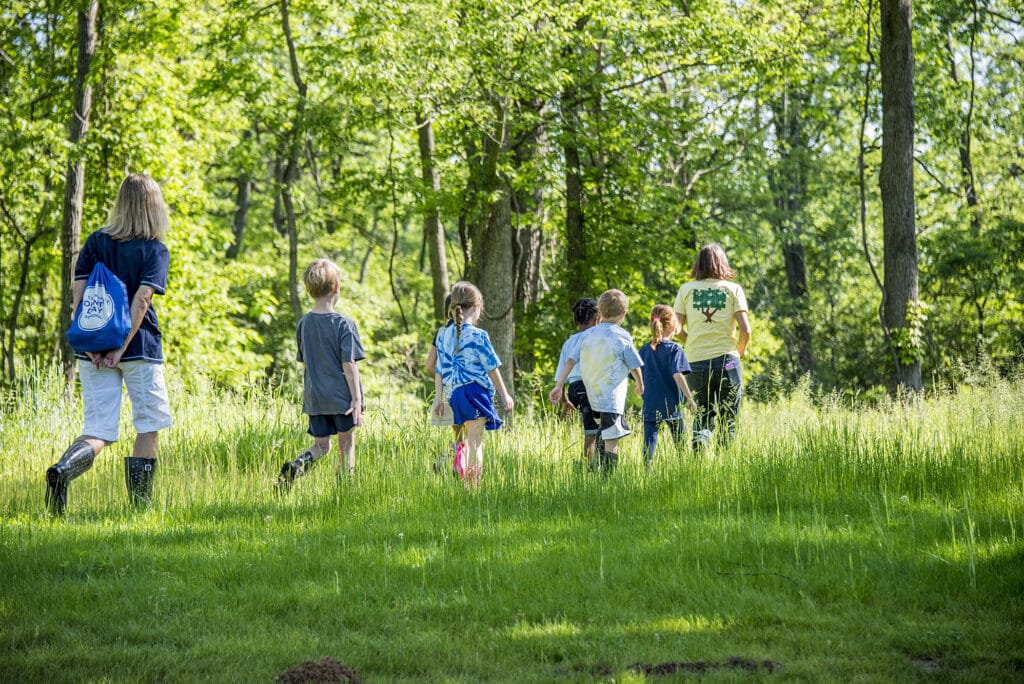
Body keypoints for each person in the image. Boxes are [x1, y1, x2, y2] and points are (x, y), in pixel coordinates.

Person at [45, 174, 172, 515]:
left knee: (98, 429)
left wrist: (88, 342)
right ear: (154, 207)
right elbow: (142, 300)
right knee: (148, 425)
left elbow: (80, 294)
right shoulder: (155, 249)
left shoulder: (96, 242)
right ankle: (140, 508)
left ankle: (62, 471)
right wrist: (119, 347)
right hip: (140, 347)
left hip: (91, 348)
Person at [277, 258, 365, 487]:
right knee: (346, 445)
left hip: (315, 397)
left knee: (321, 447)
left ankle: (297, 464)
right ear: (336, 288)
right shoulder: (344, 324)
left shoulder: (304, 324)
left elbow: (305, 363)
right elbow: (349, 364)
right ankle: (346, 490)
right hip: (340, 398)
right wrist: (356, 399)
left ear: (309, 289)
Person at [550, 289, 643, 474]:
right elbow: (634, 364)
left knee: (596, 430)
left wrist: (559, 385)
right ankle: (607, 476)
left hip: (589, 393)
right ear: (623, 314)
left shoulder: (585, 336)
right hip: (611, 398)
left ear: (600, 313)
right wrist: (640, 383)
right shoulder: (622, 336)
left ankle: (592, 466)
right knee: (611, 437)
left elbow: (570, 360)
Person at [432, 281, 514, 487]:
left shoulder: (443, 336)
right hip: (475, 393)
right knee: (475, 442)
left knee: (465, 440)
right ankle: (472, 488)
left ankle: (465, 484)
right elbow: (492, 367)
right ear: (476, 307)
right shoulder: (478, 335)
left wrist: (439, 399)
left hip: (453, 395)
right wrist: (504, 394)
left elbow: (439, 370)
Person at [673, 243, 751, 450]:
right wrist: (741, 351)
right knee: (729, 415)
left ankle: (699, 453)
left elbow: (676, 329)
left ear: (698, 264)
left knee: (702, 413)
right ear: (722, 263)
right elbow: (746, 330)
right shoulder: (733, 289)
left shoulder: (686, 290)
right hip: (728, 361)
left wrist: (693, 342)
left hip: (696, 362)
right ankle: (723, 461)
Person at [639, 305, 698, 466]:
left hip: (651, 403)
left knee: (649, 441)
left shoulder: (645, 349)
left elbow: (636, 373)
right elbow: (678, 374)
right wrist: (690, 399)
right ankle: (684, 469)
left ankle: (647, 472)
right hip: (671, 405)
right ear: (673, 326)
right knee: (680, 444)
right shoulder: (675, 349)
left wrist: (641, 389)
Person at [551, 298, 600, 465]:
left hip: (573, 388)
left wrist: (565, 401)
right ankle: (589, 467)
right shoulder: (594, 336)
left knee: (592, 428)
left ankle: (590, 463)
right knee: (592, 432)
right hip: (588, 386)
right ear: (597, 318)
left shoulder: (569, 342)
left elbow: (560, 376)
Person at [425, 294, 463, 475]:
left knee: (459, 436)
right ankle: (460, 473)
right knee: (472, 437)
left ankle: (445, 460)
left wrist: (446, 377)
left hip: (447, 391)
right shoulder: (469, 331)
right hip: (469, 390)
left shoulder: (441, 333)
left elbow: (429, 366)